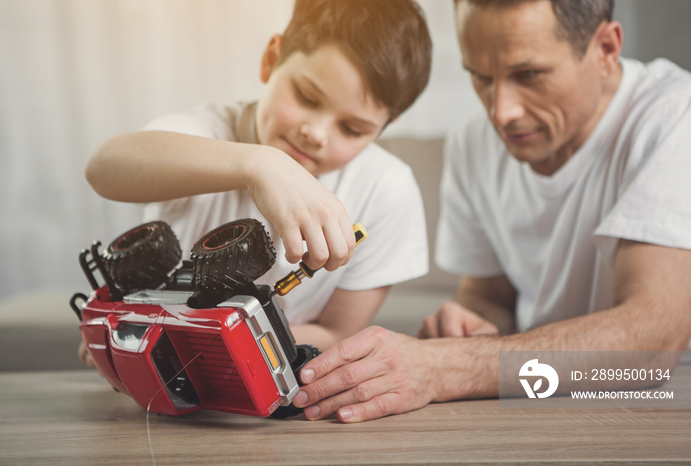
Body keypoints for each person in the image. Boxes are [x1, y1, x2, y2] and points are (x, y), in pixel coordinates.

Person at [291, 0, 691, 423]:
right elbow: (488, 296)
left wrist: (446, 365)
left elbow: (654, 345)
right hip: (535, 395)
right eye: (481, 78)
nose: (501, 113)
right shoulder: (474, 142)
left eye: (528, 75)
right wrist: (469, 324)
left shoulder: (673, 117)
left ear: (607, 49)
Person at [82, 0, 432, 362]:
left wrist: (195, 344)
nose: (317, 134)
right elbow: (102, 167)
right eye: (307, 97)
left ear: (383, 129)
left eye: (352, 129)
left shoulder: (387, 189)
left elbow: (337, 333)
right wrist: (260, 164)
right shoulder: (203, 132)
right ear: (271, 59)